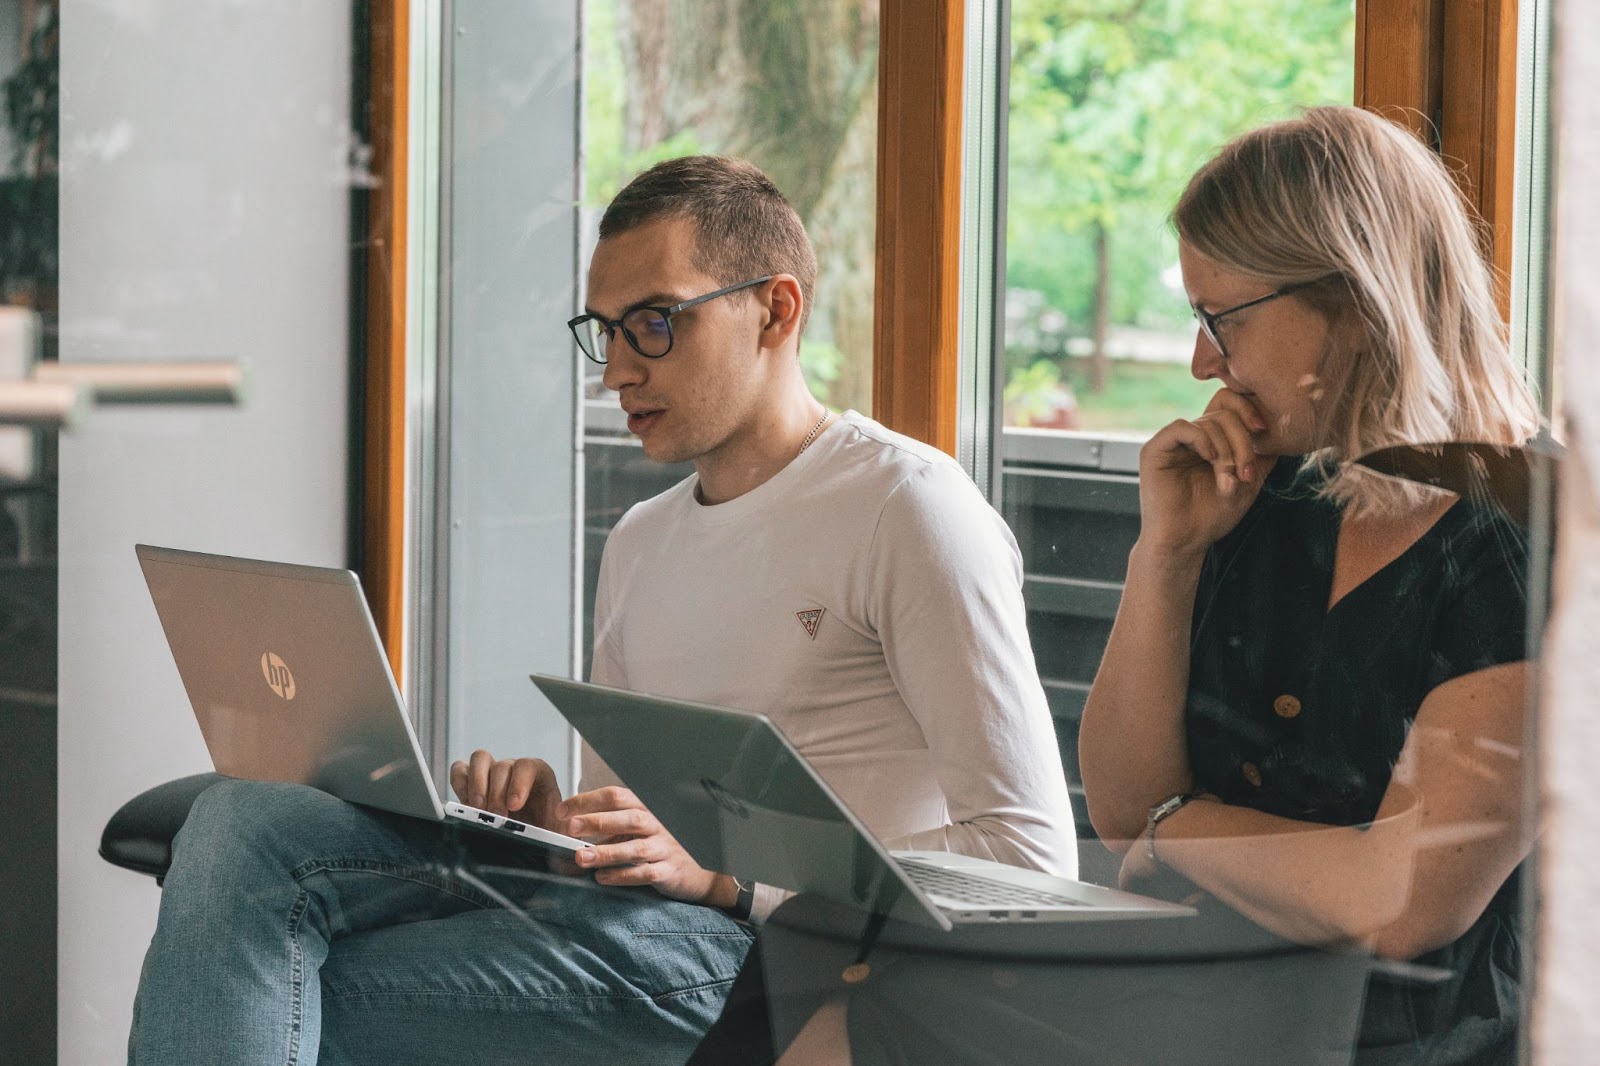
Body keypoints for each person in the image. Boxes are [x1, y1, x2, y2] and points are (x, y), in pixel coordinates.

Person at [127, 155, 1076, 1065]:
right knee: (242, 819)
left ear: (775, 311)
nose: (617, 369)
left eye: (655, 323)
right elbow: (628, 827)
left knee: (257, 989)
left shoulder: (907, 507)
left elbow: (1031, 864)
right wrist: (549, 819)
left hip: (767, 950)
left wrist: (734, 878)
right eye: (605, 329)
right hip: (627, 918)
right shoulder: (641, 540)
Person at [696, 105, 1539, 1066]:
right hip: (1196, 970)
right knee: (820, 936)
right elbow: (1123, 802)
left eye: (1222, 317)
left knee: (897, 1001)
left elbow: (1402, 901)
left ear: (1351, 298)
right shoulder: (1270, 497)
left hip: (1372, 1028)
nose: (1202, 361)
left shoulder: (1521, 544)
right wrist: (1168, 554)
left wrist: (1181, 830)